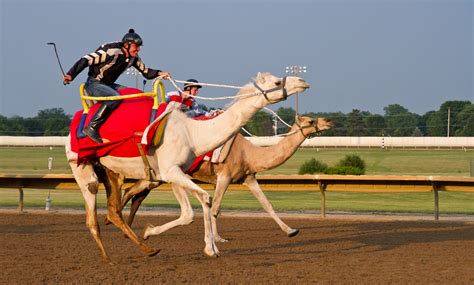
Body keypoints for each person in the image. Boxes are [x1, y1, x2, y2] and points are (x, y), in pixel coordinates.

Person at [63, 28, 171, 143]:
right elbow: (86, 60)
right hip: (93, 84)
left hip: (109, 85)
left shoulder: (134, 58)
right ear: (126, 45)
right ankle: (91, 127)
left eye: (139, 47)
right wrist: (70, 75)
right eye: (136, 46)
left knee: (132, 93)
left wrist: (160, 73)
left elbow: (146, 72)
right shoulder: (111, 51)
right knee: (114, 97)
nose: (138, 49)